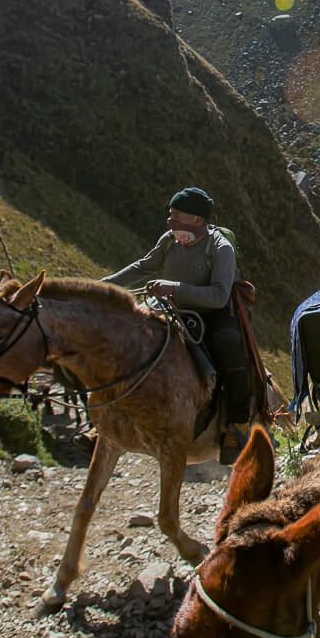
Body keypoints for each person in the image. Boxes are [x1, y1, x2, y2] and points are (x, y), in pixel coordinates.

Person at [103, 187, 250, 464]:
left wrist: (173, 288)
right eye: (170, 215)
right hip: (172, 311)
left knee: (229, 347)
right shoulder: (170, 241)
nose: (170, 222)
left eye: (177, 215)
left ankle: (237, 425)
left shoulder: (220, 248)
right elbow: (144, 266)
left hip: (212, 316)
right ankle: (108, 420)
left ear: (197, 219)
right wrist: (104, 286)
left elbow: (219, 296)